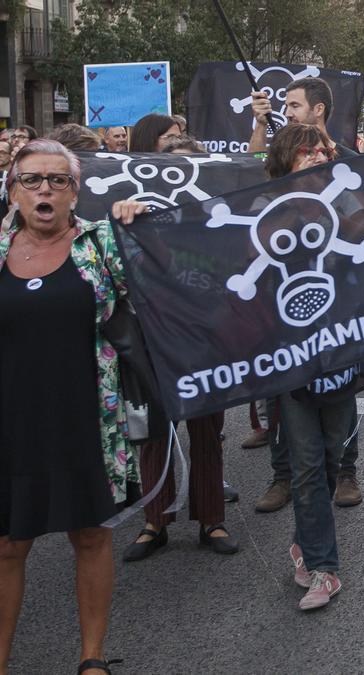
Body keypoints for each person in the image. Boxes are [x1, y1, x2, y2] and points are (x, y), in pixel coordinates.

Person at [0, 139, 139, 675]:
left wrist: (141, 217)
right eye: (32, 180)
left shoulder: (101, 244)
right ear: (12, 190)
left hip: (87, 416)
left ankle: (92, 657)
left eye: (58, 181)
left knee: (90, 534)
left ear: (75, 192)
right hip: (11, 421)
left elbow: (178, 264)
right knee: (9, 545)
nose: (45, 190)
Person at [264, 123, 364, 610]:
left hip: (341, 348)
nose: (313, 157)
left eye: (320, 150)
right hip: (290, 356)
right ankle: (324, 567)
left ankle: (306, 540)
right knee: (307, 467)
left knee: (333, 457)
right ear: (285, 157)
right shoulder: (260, 205)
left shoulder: (342, 198)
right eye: (304, 151)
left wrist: (336, 161)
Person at [118, 134, 240, 563]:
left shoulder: (216, 222)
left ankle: (212, 518)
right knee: (156, 433)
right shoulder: (136, 218)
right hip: (152, 341)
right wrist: (126, 215)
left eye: (189, 172)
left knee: (207, 431)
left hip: (203, 339)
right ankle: (155, 520)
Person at [248, 77, 356, 157]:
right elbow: (254, 165)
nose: (287, 114)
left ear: (319, 109)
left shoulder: (351, 161)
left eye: (295, 106)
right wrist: (260, 123)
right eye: (287, 106)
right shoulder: (282, 155)